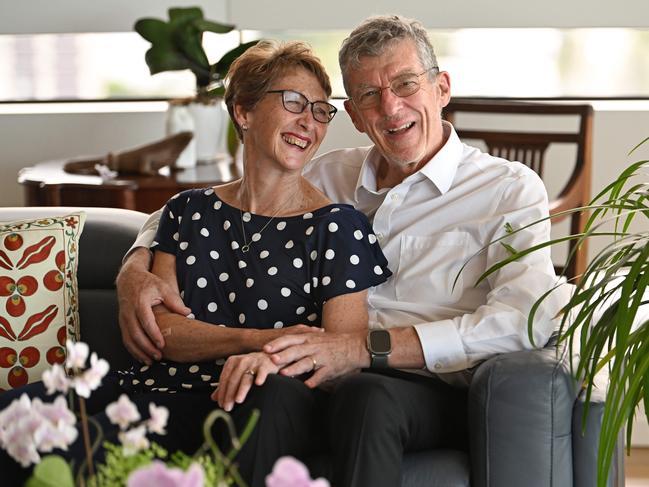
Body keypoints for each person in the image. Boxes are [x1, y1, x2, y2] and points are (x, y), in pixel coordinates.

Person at [118, 15, 568, 487]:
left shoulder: (506, 189)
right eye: (370, 95)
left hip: (432, 384)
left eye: (406, 83)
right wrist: (135, 265)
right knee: (274, 391)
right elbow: (216, 206)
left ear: (441, 88)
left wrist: (361, 347)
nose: (391, 108)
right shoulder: (330, 176)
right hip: (322, 374)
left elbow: (526, 318)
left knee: (367, 395)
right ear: (353, 114)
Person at [0, 40, 391, 486]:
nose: (310, 122)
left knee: (80, 447)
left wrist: (246, 352)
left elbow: (339, 353)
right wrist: (261, 338)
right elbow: (163, 334)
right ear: (243, 111)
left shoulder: (338, 227)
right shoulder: (189, 210)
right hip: (150, 392)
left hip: (250, 400)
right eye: (294, 102)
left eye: (321, 110)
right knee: (16, 418)